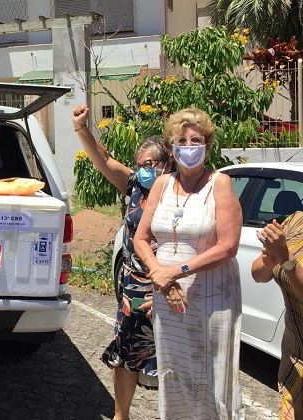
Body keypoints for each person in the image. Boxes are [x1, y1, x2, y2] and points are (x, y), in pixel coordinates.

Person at [132, 108, 244, 419]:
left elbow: (228, 246)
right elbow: (141, 238)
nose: (189, 146)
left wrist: (177, 271)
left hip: (211, 298)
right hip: (167, 296)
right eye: (181, 140)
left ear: (208, 146)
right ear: (171, 147)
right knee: (174, 369)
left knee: (211, 375)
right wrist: (161, 276)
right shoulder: (162, 184)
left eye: (196, 140)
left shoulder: (219, 184)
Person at [72, 104, 171, 420]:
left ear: (167, 164)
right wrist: (81, 128)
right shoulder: (135, 186)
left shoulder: (180, 192)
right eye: (140, 164)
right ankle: (121, 416)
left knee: (173, 356)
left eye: (151, 164)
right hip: (134, 288)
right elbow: (103, 159)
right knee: (127, 351)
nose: (144, 169)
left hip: (168, 285)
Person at [252, 212, 303, 419]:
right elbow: (257, 275)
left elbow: (286, 260)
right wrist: (269, 260)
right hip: (294, 348)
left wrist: (285, 257)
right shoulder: (295, 222)